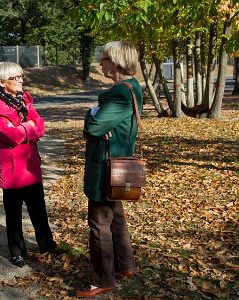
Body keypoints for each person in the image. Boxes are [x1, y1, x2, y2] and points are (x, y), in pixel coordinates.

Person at [75, 41, 142, 298]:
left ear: (114, 62)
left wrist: (92, 115)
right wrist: (100, 117)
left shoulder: (120, 92)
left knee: (99, 223)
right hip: (120, 165)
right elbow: (103, 125)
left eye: (102, 58)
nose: (99, 63)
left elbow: (93, 128)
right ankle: (125, 265)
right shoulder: (132, 88)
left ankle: (103, 279)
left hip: (106, 168)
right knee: (116, 217)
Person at [0, 62, 57, 268]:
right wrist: (28, 127)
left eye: (21, 76)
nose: (21, 80)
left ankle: (47, 244)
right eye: (15, 78)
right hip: (12, 168)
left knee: (39, 209)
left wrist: (24, 127)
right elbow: (9, 135)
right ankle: (17, 250)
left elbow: (40, 125)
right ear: (2, 82)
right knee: (13, 213)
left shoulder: (24, 99)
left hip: (30, 163)